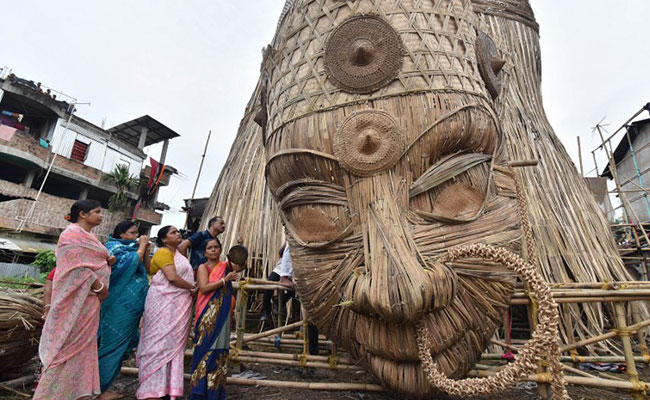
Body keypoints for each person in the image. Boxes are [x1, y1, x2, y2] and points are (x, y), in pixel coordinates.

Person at [33, 199, 113, 400]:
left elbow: (93, 261)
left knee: (83, 346)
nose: (101, 216)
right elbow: (75, 268)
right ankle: (48, 394)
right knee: (66, 347)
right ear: (83, 214)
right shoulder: (71, 235)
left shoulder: (90, 237)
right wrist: (100, 287)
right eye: (96, 211)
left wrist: (107, 260)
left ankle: (74, 392)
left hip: (89, 303)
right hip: (74, 302)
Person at [136, 226, 197, 400]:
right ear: (164, 239)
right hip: (164, 303)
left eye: (178, 232)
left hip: (177, 305)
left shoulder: (179, 255)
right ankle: (151, 388)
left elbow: (152, 270)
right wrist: (192, 287)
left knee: (172, 343)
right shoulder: (163, 253)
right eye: (173, 232)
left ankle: (168, 386)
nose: (178, 234)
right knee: (158, 342)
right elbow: (172, 277)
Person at [97, 220, 151, 400]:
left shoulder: (134, 249)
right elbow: (130, 263)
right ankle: (97, 389)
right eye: (132, 233)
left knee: (121, 348)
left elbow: (147, 269)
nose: (135, 236)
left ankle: (104, 387)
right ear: (121, 234)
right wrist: (141, 247)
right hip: (117, 308)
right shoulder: (113, 248)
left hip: (132, 310)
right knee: (110, 346)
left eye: (137, 233)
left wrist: (145, 252)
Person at [190, 243, 247, 400]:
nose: (213, 250)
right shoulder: (203, 267)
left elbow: (241, 265)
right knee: (203, 350)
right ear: (205, 252)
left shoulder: (226, 265)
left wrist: (240, 251)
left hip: (223, 315)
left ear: (222, 251)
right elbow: (203, 288)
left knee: (220, 352)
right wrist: (224, 280)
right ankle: (199, 391)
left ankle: (215, 392)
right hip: (207, 315)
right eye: (209, 248)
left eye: (216, 247)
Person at [277, 245, 319, 356]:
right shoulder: (292, 245)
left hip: (312, 276)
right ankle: (312, 350)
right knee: (310, 314)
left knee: (312, 314)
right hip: (303, 277)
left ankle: (313, 349)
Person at [261, 245, 285, 321]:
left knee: (293, 290)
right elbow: (280, 252)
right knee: (269, 285)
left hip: (294, 270)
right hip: (281, 267)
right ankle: (266, 310)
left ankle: (279, 303)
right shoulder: (288, 243)